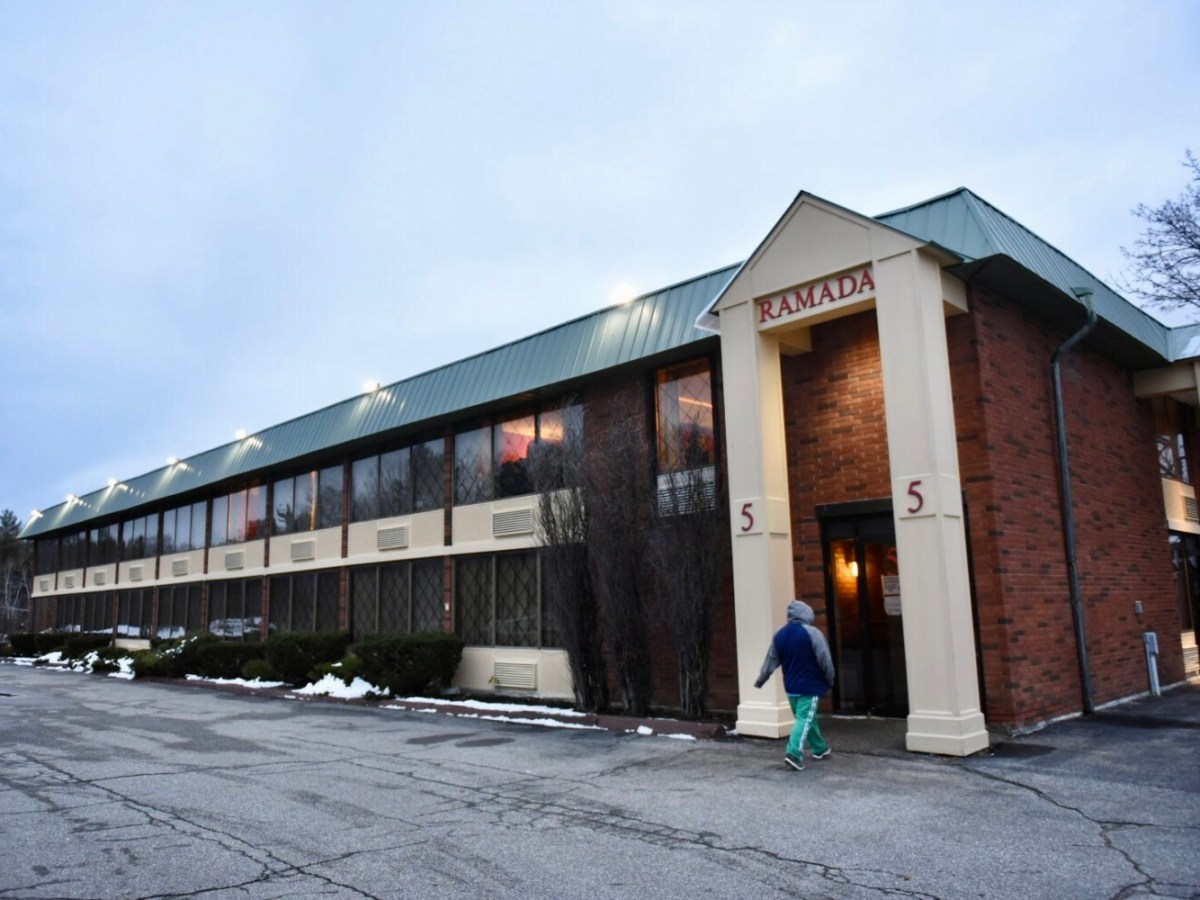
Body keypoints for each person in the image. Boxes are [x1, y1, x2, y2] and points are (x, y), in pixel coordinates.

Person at [754, 599, 836, 771]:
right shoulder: (813, 633)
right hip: (810, 687)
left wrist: (761, 679)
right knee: (804, 719)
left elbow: (771, 660)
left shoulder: (780, 634)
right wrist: (830, 679)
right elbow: (825, 659)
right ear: (807, 615)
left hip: (791, 688)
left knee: (806, 718)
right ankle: (793, 753)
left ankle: (819, 748)